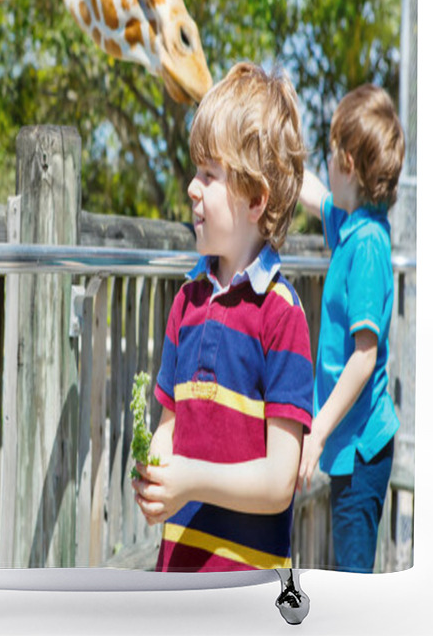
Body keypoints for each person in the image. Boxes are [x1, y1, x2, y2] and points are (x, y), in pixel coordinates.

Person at [132, 62, 314, 572]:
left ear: (256, 199)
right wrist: (158, 479)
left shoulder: (282, 317)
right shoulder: (185, 302)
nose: (192, 187)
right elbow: (171, 426)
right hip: (177, 576)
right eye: (196, 171)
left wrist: (190, 478)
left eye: (209, 175)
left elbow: (280, 482)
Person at [296, 83, 405, 573]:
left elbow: (364, 356)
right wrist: (279, 147)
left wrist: (317, 432)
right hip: (351, 443)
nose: (328, 160)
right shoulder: (357, 225)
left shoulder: (366, 248)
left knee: (355, 583)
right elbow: (316, 197)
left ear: (351, 168)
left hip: (359, 450)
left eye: (332, 151)